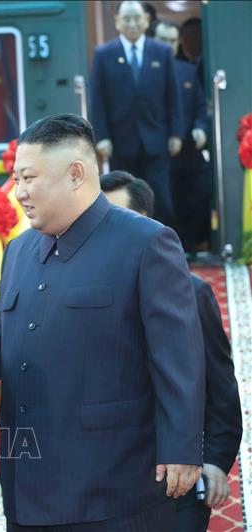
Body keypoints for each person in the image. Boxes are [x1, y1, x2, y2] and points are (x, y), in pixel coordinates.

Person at [0, 114, 205, 530]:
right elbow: (0, 324)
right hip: (28, 486)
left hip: (114, 488)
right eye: (16, 179)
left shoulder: (146, 242)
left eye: (28, 178)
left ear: (76, 174)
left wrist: (181, 448)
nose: (18, 193)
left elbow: (178, 357)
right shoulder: (20, 249)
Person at [101, 170, 243, 532]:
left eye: (115, 217)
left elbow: (220, 387)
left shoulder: (190, 292)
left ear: (145, 221)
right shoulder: (85, 293)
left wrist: (214, 460)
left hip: (176, 482)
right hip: (106, 481)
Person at [89, 0, 183, 226]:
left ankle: (163, 244)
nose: (132, 23)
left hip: (156, 138)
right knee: (123, 198)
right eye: (127, 19)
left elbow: (173, 95)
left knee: (160, 196)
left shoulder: (161, 52)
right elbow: (97, 100)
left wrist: (176, 133)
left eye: (137, 18)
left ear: (147, 21)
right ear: (117, 22)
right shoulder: (104, 54)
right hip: (120, 140)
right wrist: (101, 137)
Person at [155, 20, 211, 252]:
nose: (167, 45)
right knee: (164, 200)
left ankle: (191, 244)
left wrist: (200, 127)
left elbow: (200, 105)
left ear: (177, 43)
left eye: (171, 41)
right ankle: (167, 248)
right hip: (157, 150)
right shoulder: (144, 72)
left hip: (188, 147)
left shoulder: (187, 70)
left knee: (200, 190)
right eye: (162, 40)